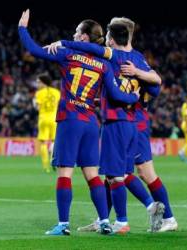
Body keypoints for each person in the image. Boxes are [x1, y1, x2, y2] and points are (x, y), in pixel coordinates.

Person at [46, 17, 177, 233]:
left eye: (107, 35)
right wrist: (136, 81)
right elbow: (155, 87)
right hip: (132, 122)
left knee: (130, 173)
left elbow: (156, 82)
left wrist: (63, 43)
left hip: (123, 122)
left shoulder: (114, 56)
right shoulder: (137, 58)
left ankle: (147, 215)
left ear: (113, 37)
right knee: (115, 174)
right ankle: (104, 218)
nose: (104, 40)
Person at [18, 9, 139, 236]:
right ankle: (104, 221)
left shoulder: (67, 54)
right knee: (92, 175)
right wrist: (134, 97)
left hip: (70, 119)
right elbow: (117, 95)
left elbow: (33, 49)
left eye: (77, 32)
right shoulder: (103, 64)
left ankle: (63, 225)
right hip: (91, 123)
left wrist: (22, 28)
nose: (73, 35)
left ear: (84, 37)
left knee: (65, 173)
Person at [34, 73, 60, 173]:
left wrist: (35, 103)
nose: (38, 84)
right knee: (54, 141)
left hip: (43, 119)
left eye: (39, 82)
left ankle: (46, 167)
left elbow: (37, 107)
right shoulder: (57, 92)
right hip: (54, 119)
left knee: (43, 142)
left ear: (44, 82)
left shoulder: (39, 93)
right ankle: (53, 160)